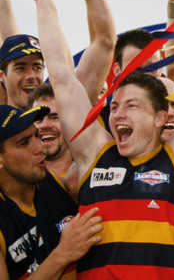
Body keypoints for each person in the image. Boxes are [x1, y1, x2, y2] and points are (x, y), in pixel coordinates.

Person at [27, 0, 174, 279]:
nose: (117, 115)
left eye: (132, 106)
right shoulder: (94, 155)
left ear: (162, 117)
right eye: (114, 107)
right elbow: (59, 74)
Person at [0, 104, 102, 279]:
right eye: (24, 142)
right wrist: (62, 254)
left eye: (36, 136)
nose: (40, 148)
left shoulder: (56, 183)